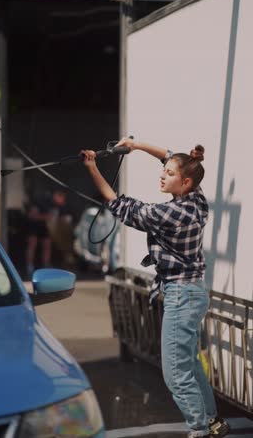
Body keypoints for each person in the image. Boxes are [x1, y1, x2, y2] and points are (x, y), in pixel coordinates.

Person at [81, 138, 230, 438]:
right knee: (188, 363)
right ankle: (212, 421)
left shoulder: (170, 215)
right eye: (165, 171)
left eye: (170, 174)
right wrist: (135, 145)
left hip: (182, 295)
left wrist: (92, 168)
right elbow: (171, 156)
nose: (163, 174)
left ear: (185, 181)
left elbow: (119, 205)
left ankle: (199, 429)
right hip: (194, 292)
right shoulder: (196, 199)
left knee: (175, 373)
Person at [25, 189, 72, 277]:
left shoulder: (59, 206)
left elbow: (61, 217)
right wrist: (46, 217)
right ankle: (29, 266)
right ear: (57, 196)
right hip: (34, 226)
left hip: (47, 227)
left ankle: (46, 265)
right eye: (62, 198)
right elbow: (32, 215)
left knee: (47, 245)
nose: (63, 201)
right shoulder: (42, 201)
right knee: (32, 244)